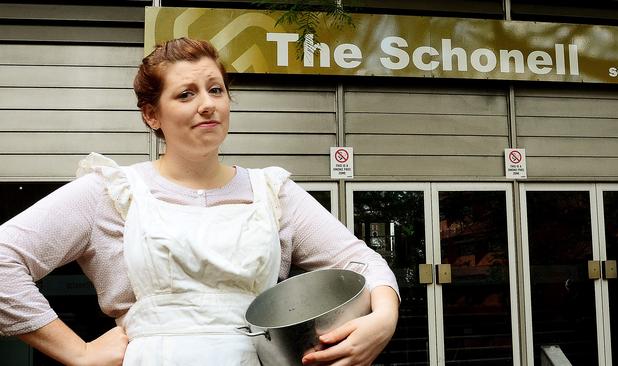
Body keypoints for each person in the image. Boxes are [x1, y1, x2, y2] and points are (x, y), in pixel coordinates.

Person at [0, 37, 399, 365]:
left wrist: (383, 318)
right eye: (186, 94)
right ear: (152, 115)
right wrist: (78, 352)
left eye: (216, 89)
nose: (207, 103)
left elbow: (361, 262)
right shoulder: (110, 192)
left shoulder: (273, 193)